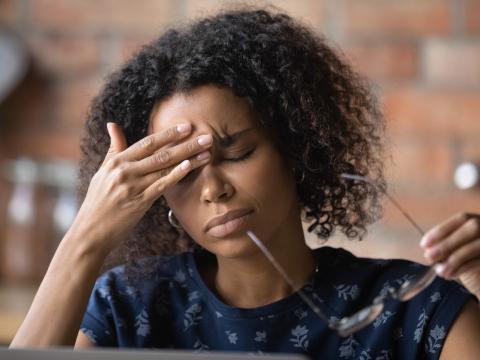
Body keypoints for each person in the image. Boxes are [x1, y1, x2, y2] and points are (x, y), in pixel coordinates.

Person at [10, 6, 480, 359]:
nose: (213, 188)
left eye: (237, 153)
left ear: (296, 150)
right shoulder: (131, 308)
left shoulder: (414, 311)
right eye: (184, 172)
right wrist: (85, 238)